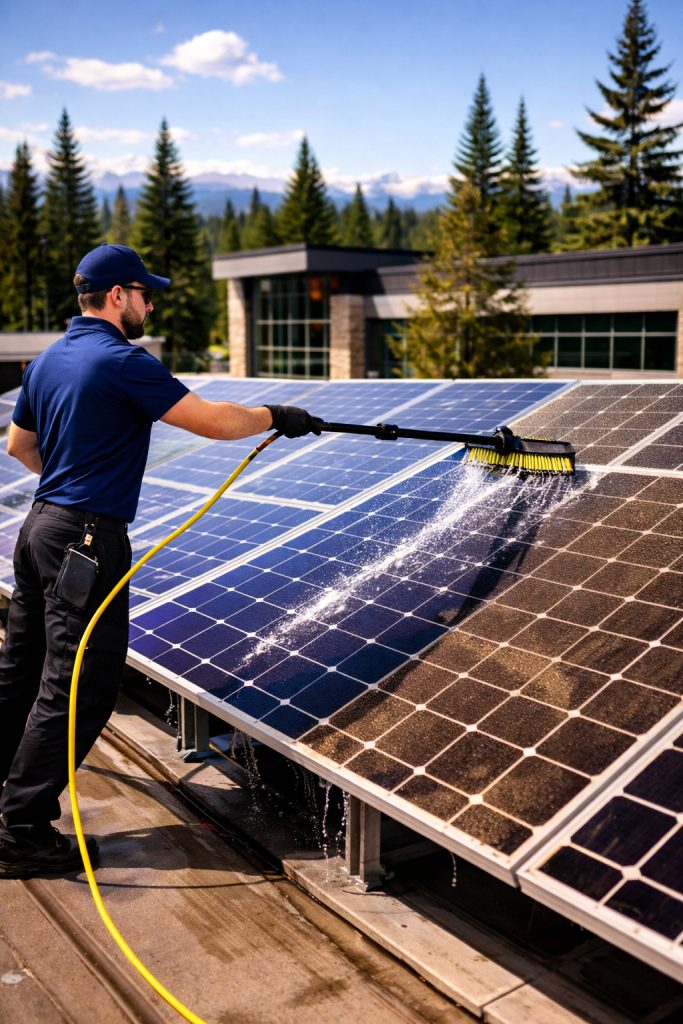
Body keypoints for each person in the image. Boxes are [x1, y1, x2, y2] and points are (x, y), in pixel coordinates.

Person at [0, 243, 321, 879]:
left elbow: (19, 447)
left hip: (40, 529)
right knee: (77, 686)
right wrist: (276, 415)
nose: (150, 306)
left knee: (21, 669)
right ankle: (20, 832)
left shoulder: (47, 361)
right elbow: (214, 421)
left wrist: (67, 490)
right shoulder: (122, 360)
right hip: (85, 540)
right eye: (145, 294)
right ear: (117, 295)